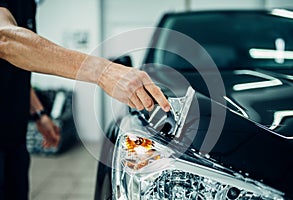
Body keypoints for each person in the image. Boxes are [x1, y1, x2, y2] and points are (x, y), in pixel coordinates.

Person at [0, 0, 170, 199]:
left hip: (14, 137)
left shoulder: (28, 5)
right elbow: (4, 39)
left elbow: (13, 71)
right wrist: (103, 71)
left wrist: (40, 115)